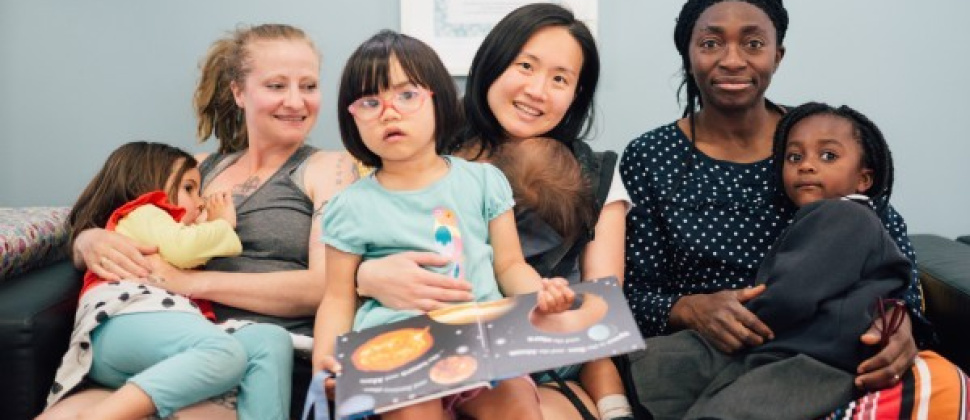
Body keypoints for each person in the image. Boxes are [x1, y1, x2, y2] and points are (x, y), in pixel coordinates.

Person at [621, 0, 965, 417]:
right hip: (708, 349)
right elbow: (633, 294)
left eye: (753, 42)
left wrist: (901, 323)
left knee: (945, 383)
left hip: (823, 351)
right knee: (628, 377)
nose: (732, 60)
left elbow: (885, 239)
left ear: (776, 55)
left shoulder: (816, 138)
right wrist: (689, 309)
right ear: (688, 54)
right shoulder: (649, 156)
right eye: (711, 43)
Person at [43, 24, 357, 419]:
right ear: (238, 92)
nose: (296, 102)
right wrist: (88, 241)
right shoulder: (197, 168)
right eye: (277, 86)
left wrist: (190, 281)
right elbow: (118, 213)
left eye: (309, 86)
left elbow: (325, 286)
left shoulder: (329, 169)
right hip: (163, 346)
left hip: (260, 362)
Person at [355, 4, 634, 420]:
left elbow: (601, 306)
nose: (537, 90)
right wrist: (368, 275)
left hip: (541, 358)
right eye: (525, 66)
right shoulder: (419, 149)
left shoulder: (594, 173)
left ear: (577, 94)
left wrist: (547, 306)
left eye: (560, 79)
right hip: (428, 341)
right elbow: (353, 245)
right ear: (493, 62)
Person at [312, 29, 575, 420]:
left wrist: (542, 293)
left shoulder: (483, 182)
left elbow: (509, 266)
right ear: (352, 118)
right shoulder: (348, 206)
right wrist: (325, 362)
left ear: (440, 101)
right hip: (399, 349)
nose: (389, 111)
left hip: (483, 342)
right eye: (370, 101)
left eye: (407, 95)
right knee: (412, 408)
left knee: (519, 404)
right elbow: (336, 297)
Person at [634, 102, 911, 419]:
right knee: (666, 366)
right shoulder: (830, 217)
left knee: (728, 409)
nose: (807, 165)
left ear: (864, 180)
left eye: (828, 156)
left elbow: (795, 293)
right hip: (791, 347)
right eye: (795, 157)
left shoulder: (842, 215)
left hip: (815, 359)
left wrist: (745, 317)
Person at [43, 141, 292, 420]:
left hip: (160, 339)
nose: (199, 202)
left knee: (271, 339)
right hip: (123, 322)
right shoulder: (144, 212)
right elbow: (183, 249)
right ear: (148, 185)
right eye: (189, 189)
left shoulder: (162, 225)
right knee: (223, 352)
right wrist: (222, 224)